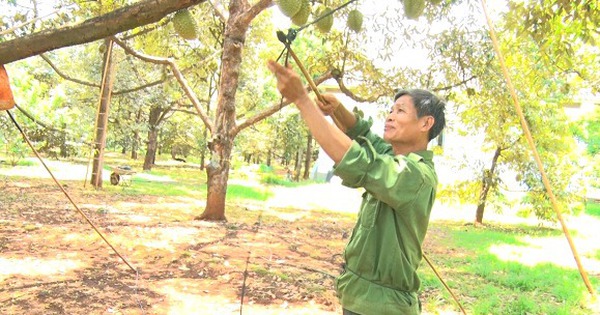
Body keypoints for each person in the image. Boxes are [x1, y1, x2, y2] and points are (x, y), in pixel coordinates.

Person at [267, 60, 446, 315]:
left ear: (426, 124)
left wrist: (303, 101)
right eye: (391, 110)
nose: (390, 116)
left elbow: (361, 163)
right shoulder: (395, 157)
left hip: (382, 309)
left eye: (401, 112)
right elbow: (364, 135)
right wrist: (338, 110)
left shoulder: (416, 175)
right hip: (360, 298)